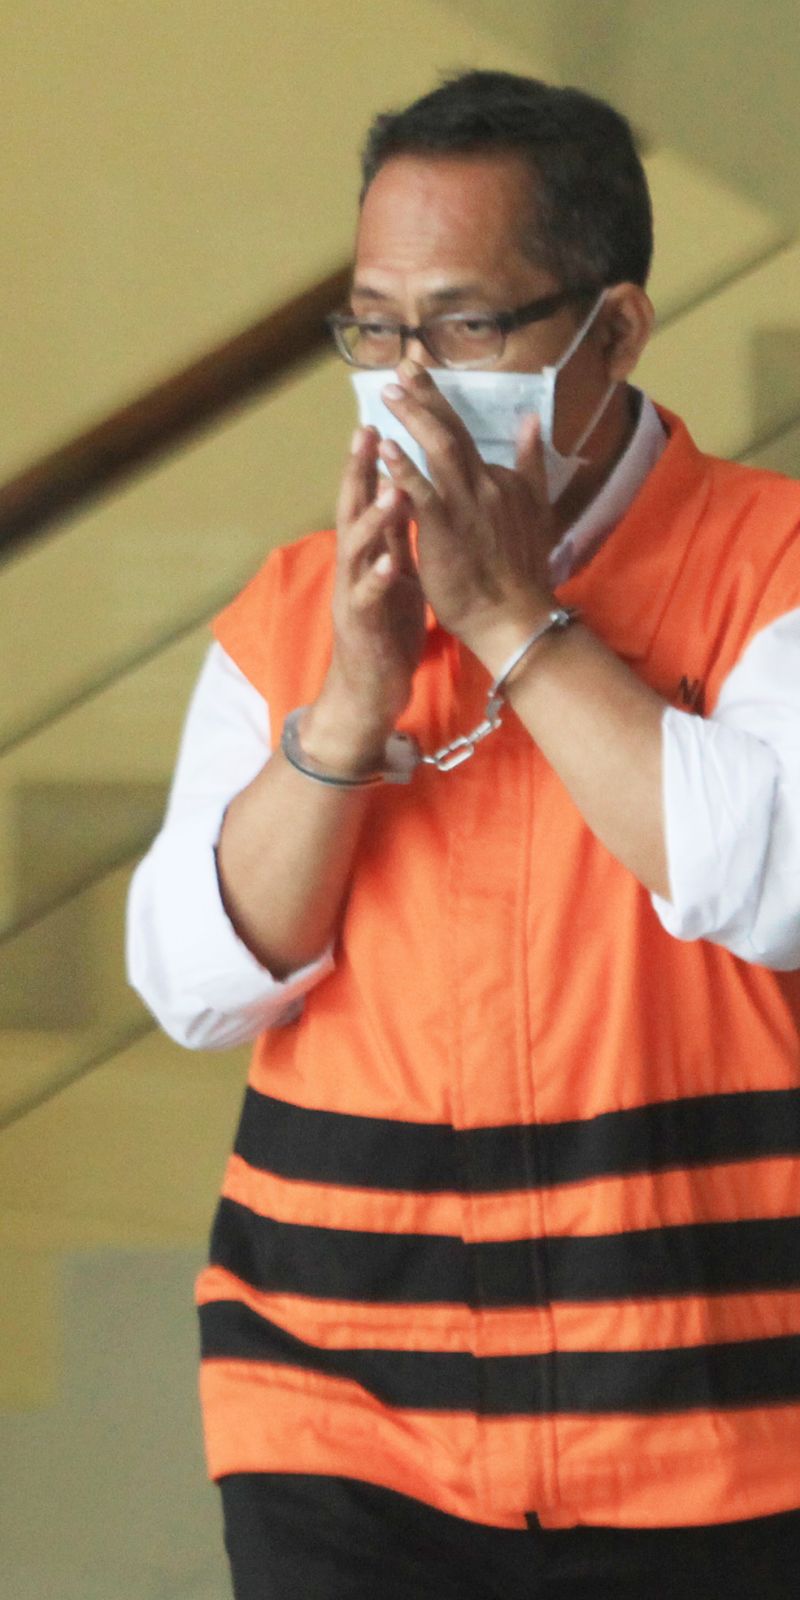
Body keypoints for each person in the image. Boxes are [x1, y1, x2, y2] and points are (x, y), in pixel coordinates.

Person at [127, 70, 800, 1600]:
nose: (409, 381)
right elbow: (191, 983)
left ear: (614, 332)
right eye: (375, 330)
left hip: (724, 1433)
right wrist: (348, 711)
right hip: (338, 1431)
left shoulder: (775, 568)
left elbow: (775, 888)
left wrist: (509, 620)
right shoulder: (295, 609)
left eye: (467, 326)